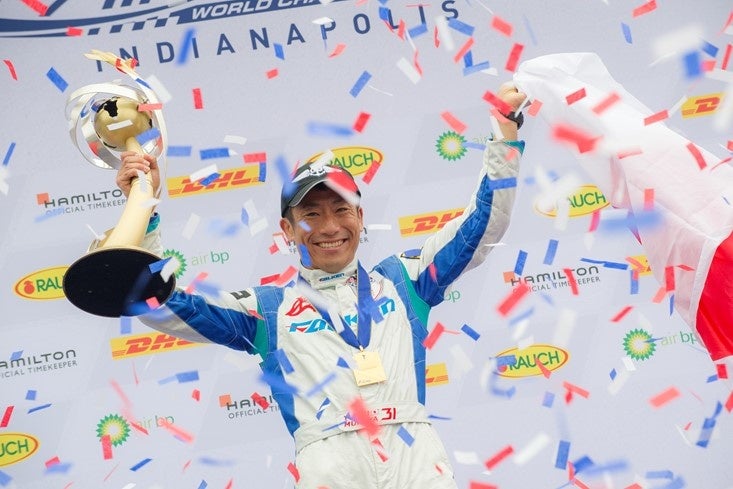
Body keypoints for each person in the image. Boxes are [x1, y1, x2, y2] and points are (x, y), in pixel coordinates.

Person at [109, 82, 527, 489]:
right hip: (330, 472)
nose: (329, 227)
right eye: (311, 214)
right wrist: (144, 206)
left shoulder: (405, 280)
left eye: (341, 209)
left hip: (416, 466)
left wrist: (504, 134)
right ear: (287, 230)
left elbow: (483, 226)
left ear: (360, 218)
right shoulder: (267, 309)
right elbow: (161, 305)